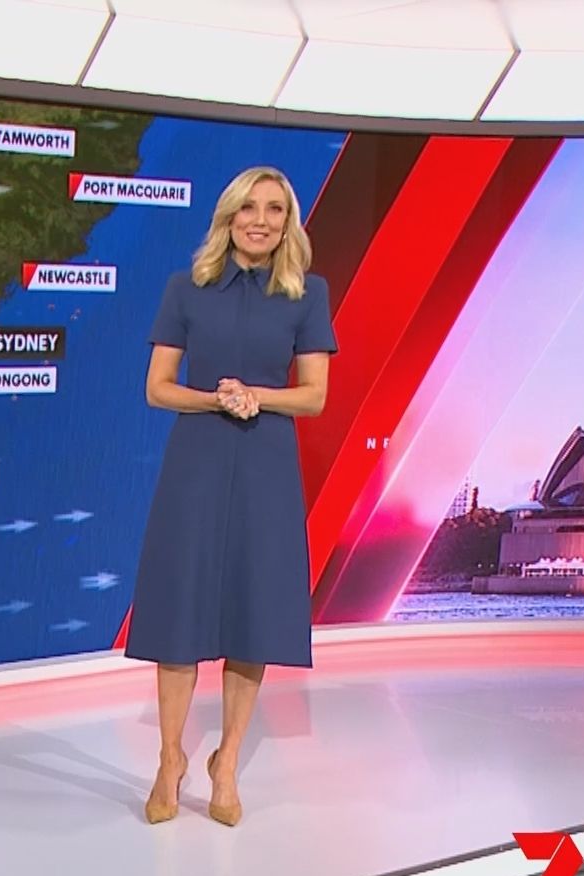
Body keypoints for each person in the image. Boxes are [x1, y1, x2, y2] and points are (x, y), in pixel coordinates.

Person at [125, 165, 337, 827]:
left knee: (253, 614)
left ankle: (227, 762)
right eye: (249, 208)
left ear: (287, 222)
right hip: (196, 460)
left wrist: (256, 397)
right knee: (179, 615)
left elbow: (314, 395)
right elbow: (158, 386)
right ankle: (170, 759)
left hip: (267, 465)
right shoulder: (186, 287)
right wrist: (216, 399)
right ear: (229, 216)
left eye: (275, 209)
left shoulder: (307, 294)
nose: (261, 221)